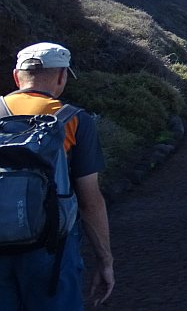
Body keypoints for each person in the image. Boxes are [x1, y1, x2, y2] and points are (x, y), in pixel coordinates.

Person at [0, 43, 114, 309]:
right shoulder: (73, 119)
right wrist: (105, 261)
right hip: (51, 250)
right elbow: (90, 200)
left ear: (17, 76)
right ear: (62, 76)